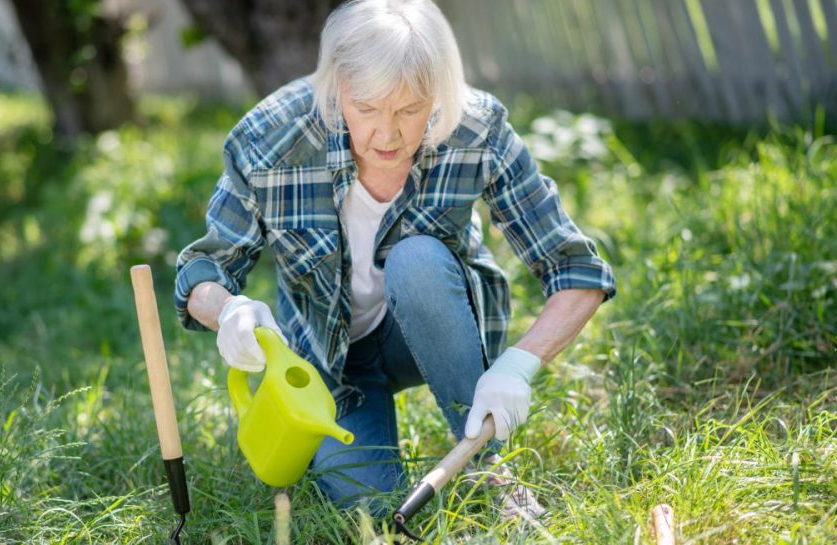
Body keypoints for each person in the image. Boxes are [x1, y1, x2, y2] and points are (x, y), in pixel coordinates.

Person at [174, 0, 615, 517]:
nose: (387, 135)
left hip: (432, 328)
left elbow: (578, 272)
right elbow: (203, 270)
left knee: (417, 260)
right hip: (331, 359)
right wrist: (227, 310)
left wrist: (517, 366)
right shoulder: (270, 140)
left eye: (409, 110)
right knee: (370, 507)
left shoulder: (476, 130)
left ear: (439, 94)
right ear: (338, 87)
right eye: (367, 109)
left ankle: (492, 474)